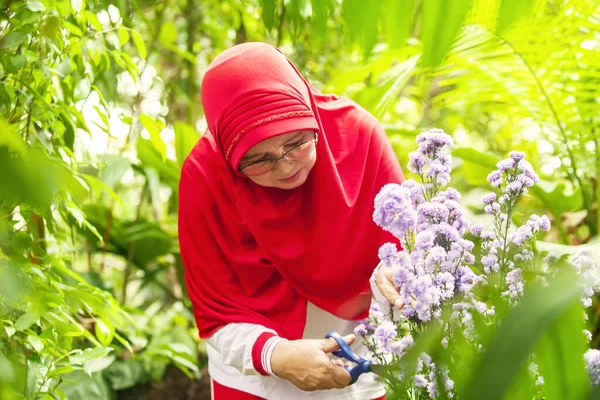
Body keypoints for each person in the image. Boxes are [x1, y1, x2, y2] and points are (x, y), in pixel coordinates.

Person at [178, 42, 405, 399]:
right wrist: (276, 356)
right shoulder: (205, 178)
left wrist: (396, 275)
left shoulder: (360, 138)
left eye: (297, 142)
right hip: (255, 371)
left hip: (358, 361)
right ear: (230, 158)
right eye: (258, 159)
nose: (286, 167)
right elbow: (215, 310)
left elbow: (399, 251)